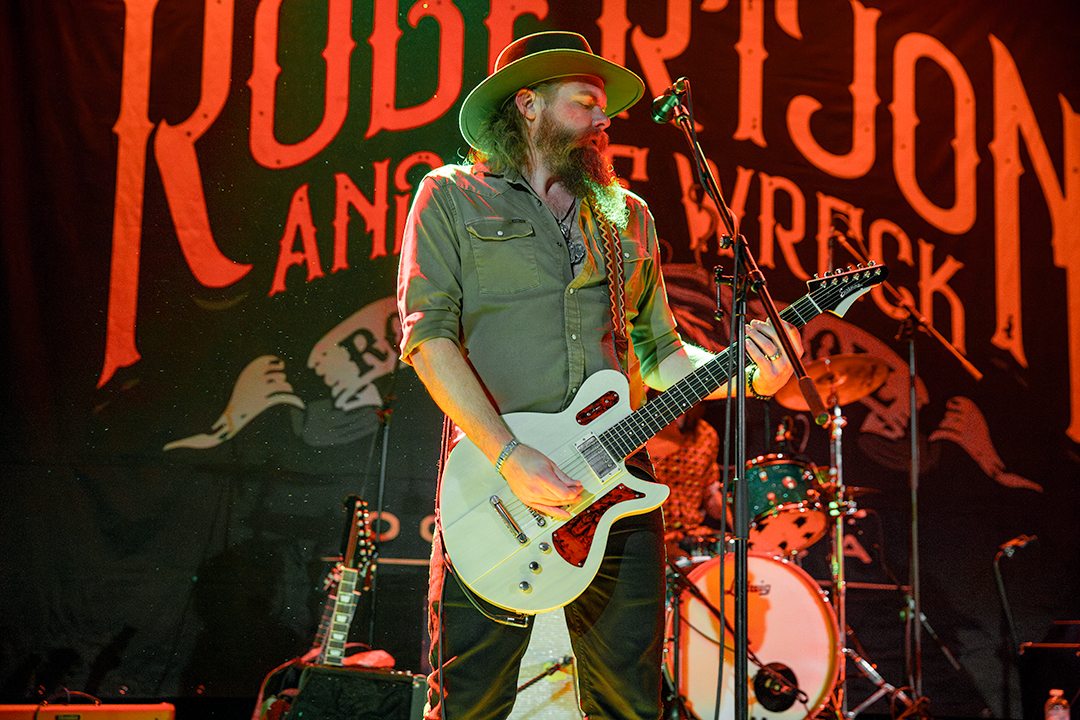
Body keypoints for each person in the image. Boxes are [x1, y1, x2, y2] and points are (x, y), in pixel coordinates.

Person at [396, 30, 802, 720]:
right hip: (495, 480)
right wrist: (509, 453)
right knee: (471, 700)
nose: (604, 117)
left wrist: (750, 376)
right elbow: (427, 338)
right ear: (528, 104)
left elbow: (662, 356)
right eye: (585, 101)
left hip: (616, 483)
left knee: (631, 701)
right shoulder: (453, 197)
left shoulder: (626, 216)